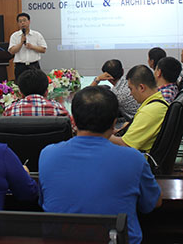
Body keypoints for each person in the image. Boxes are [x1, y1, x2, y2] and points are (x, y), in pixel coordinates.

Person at [38, 86, 162, 244]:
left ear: (73, 120)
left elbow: (44, 201)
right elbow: (153, 203)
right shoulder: (134, 159)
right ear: (114, 123)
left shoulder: (47, 155)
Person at [110, 65, 169, 152]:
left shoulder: (149, 112)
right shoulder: (157, 103)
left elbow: (125, 145)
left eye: (131, 89)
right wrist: (118, 131)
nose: (130, 94)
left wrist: (101, 135)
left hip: (139, 157)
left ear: (141, 87)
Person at [3, 69, 74, 128]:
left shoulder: (9, 111)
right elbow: (73, 130)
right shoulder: (59, 109)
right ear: (47, 92)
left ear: (20, 93)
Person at [90, 59, 138, 124]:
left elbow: (86, 94)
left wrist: (97, 79)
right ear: (123, 71)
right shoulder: (129, 79)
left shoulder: (116, 94)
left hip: (133, 121)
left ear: (107, 77)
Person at [8, 12, 47, 81]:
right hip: (20, 67)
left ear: (29, 21)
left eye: (24, 20)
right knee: (20, 85)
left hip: (34, 66)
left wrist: (32, 47)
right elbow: (11, 51)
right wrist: (21, 43)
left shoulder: (36, 35)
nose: (22, 23)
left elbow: (43, 49)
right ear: (18, 23)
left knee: (36, 84)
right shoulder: (14, 36)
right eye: (20, 21)